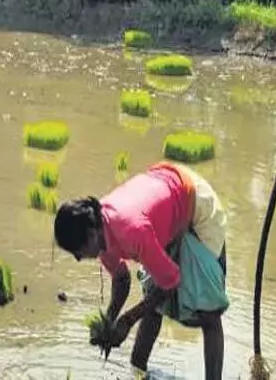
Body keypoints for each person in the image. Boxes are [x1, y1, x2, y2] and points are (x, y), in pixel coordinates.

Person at [53, 162, 228, 380]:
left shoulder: (131, 230)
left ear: (90, 234)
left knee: (208, 312)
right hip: (165, 202)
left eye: (77, 251)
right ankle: (137, 372)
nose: (79, 258)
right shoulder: (101, 233)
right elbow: (122, 281)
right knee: (152, 301)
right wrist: (109, 322)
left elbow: (171, 281)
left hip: (194, 203)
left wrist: (128, 320)